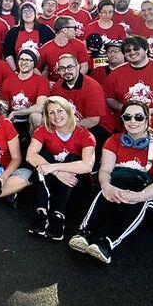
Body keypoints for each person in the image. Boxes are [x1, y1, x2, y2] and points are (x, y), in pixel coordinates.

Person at [68, 100, 153, 264]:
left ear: (147, 119)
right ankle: (85, 233)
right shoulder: (113, 140)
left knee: (143, 198)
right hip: (122, 194)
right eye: (128, 117)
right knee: (107, 187)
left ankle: (108, 243)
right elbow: (105, 171)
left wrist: (138, 196)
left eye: (139, 117)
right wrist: (106, 186)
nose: (133, 121)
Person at [26, 96, 96, 240]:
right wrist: (57, 172)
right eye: (51, 112)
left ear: (69, 111)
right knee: (42, 156)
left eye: (60, 111)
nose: (56, 116)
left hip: (76, 185)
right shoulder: (43, 130)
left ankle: (59, 214)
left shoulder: (85, 135)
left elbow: (87, 166)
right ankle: (42, 211)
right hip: (53, 180)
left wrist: (54, 168)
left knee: (73, 158)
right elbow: (30, 156)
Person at [50, 53, 116, 148]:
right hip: (70, 124)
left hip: (99, 126)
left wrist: (65, 128)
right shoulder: (57, 86)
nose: (66, 71)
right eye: (62, 68)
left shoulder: (92, 87)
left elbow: (93, 121)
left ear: (78, 67)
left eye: (70, 67)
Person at [0, 48, 50, 148]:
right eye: (21, 59)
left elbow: (40, 107)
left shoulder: (41, 81)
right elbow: (4, 106)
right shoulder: (8, 81)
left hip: (30, 121)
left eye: (28, 60)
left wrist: (15, 112)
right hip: (14, 122)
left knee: (36, 116)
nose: (24, 63)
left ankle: (34, 148)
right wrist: (5, 120)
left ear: (33, 63)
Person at [3, 2, 55, 70]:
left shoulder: (45, 30)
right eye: (25, 12)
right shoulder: (13, 32)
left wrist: (45, 71)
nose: (28, 14)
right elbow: (7, 53)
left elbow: (51, 52)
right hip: (19, 72)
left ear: (35, 13)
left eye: (30, 11)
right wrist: (14, 70)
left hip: (40, 72)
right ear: (21, 14)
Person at [39, 16, 90, 82]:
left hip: (74, 83)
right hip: (54, 86)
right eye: (75, 28)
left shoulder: (79, 45)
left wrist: (74, 81)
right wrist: (46, 82)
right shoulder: (45, 49)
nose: (77, 30)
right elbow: (35, 69)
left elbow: (84, 67)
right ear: (64, 30)